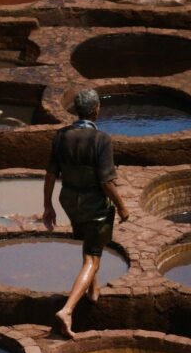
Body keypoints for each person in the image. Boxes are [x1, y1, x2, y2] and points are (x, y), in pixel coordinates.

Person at [43, 88, 129, 338]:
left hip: (70, 201)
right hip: (95, 205)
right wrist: (122, 207)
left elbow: (50, 174)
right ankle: (68, 310)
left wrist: (48, 205)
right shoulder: (101, 139)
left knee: (91, 243)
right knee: (93, 257)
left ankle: (93, 292)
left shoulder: (61, 136)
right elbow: (106, 182)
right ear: (96, 109)